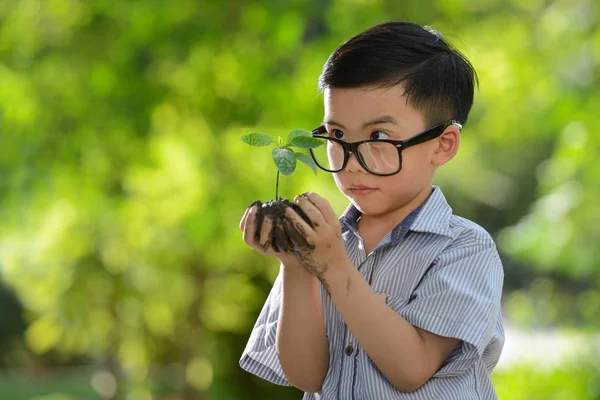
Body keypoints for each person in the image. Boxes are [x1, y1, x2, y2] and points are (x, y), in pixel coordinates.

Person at [238, 21, 504, 400]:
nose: (353, 162)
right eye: (338, 136)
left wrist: (331, 266)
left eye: (379, 137)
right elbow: (309, 377)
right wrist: (297, 268)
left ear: (443, 145)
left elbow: (411, 369)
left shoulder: (464, 248)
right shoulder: (323, 242)